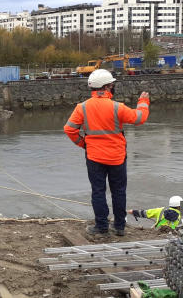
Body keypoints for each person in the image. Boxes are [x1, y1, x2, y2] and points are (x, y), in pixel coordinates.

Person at [64, 69, 150, 237]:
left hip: (94, 157)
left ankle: (101, 227)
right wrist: (143, 102)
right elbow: (139, 118)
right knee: (118, 191)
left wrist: (83, 144)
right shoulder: (117, 107)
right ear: (108, 86)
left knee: (98, 191)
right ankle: (119, 227)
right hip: (117, 158)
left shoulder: (82, 108)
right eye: (112, 84)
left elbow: (69, 129)